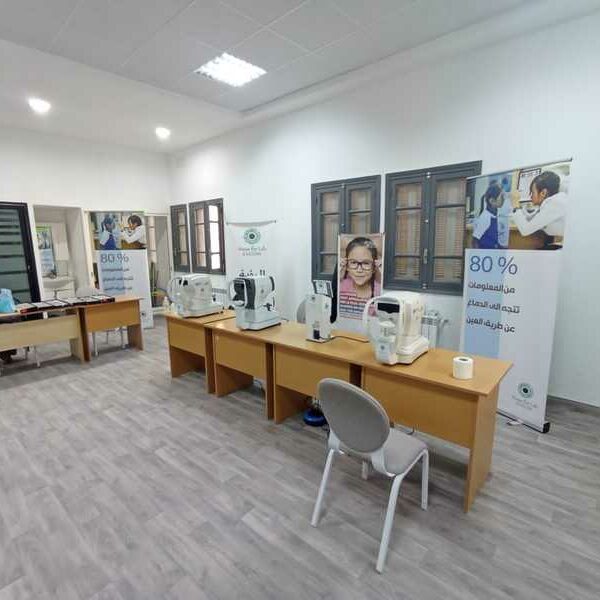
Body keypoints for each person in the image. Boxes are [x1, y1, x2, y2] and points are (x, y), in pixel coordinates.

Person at [511, 171, 567, 239]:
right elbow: (532, 219)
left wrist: (515, 204)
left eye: (532, 192)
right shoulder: (551, 203)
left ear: (543, 193)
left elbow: (525, 230)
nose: (531, 196)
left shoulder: (556, 203)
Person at [338, 236, 382, 319]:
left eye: (366, 263)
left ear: (374, 267)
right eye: (353, 262)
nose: (359, 270)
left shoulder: (380, 292)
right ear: (347, 266)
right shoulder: (340, 287)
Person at [472, 181, 507, 249]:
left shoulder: (494, 214)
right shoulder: (485, 217)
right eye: (502, 196)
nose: (504, 199)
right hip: (486, 251)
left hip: (494, 248)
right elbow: (474, 241)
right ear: (492, 201)